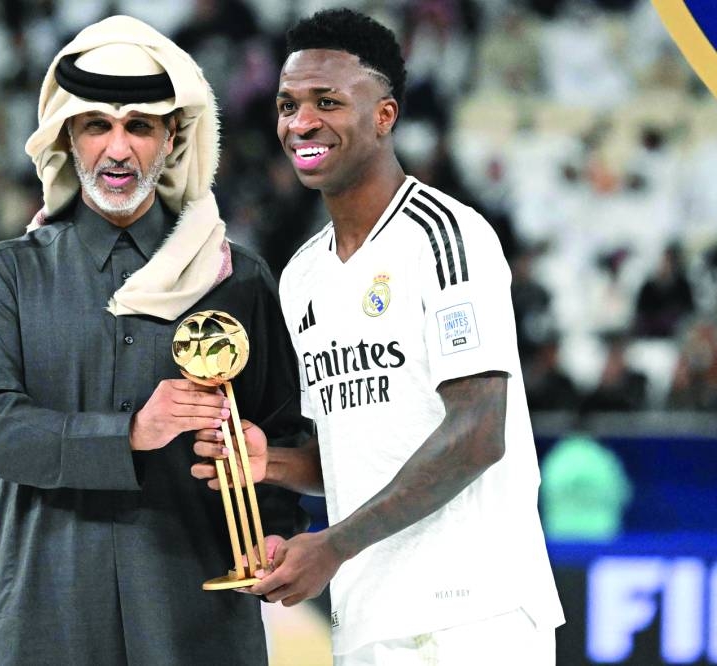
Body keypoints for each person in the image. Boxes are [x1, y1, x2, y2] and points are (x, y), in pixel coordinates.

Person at [193, 9, 563, 664]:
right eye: (288, 104)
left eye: (326, 102)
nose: (299, 123)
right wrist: (269, 464)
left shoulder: (447, 236)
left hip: (473, 617)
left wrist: (332, 545)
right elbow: (348, 455)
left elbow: (479, 430)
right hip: (368, 618)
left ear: (385, 116)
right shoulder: (303, 276)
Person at [0, 15, 307, 666]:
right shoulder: (7, 276)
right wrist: (132, 433)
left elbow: (283, 439)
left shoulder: (237, 279)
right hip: (45, 622)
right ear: (69, 138)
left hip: (195, 625)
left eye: (139, 125)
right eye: (98, 126)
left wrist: (276, 532)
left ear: (171, 138)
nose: (119, 150)